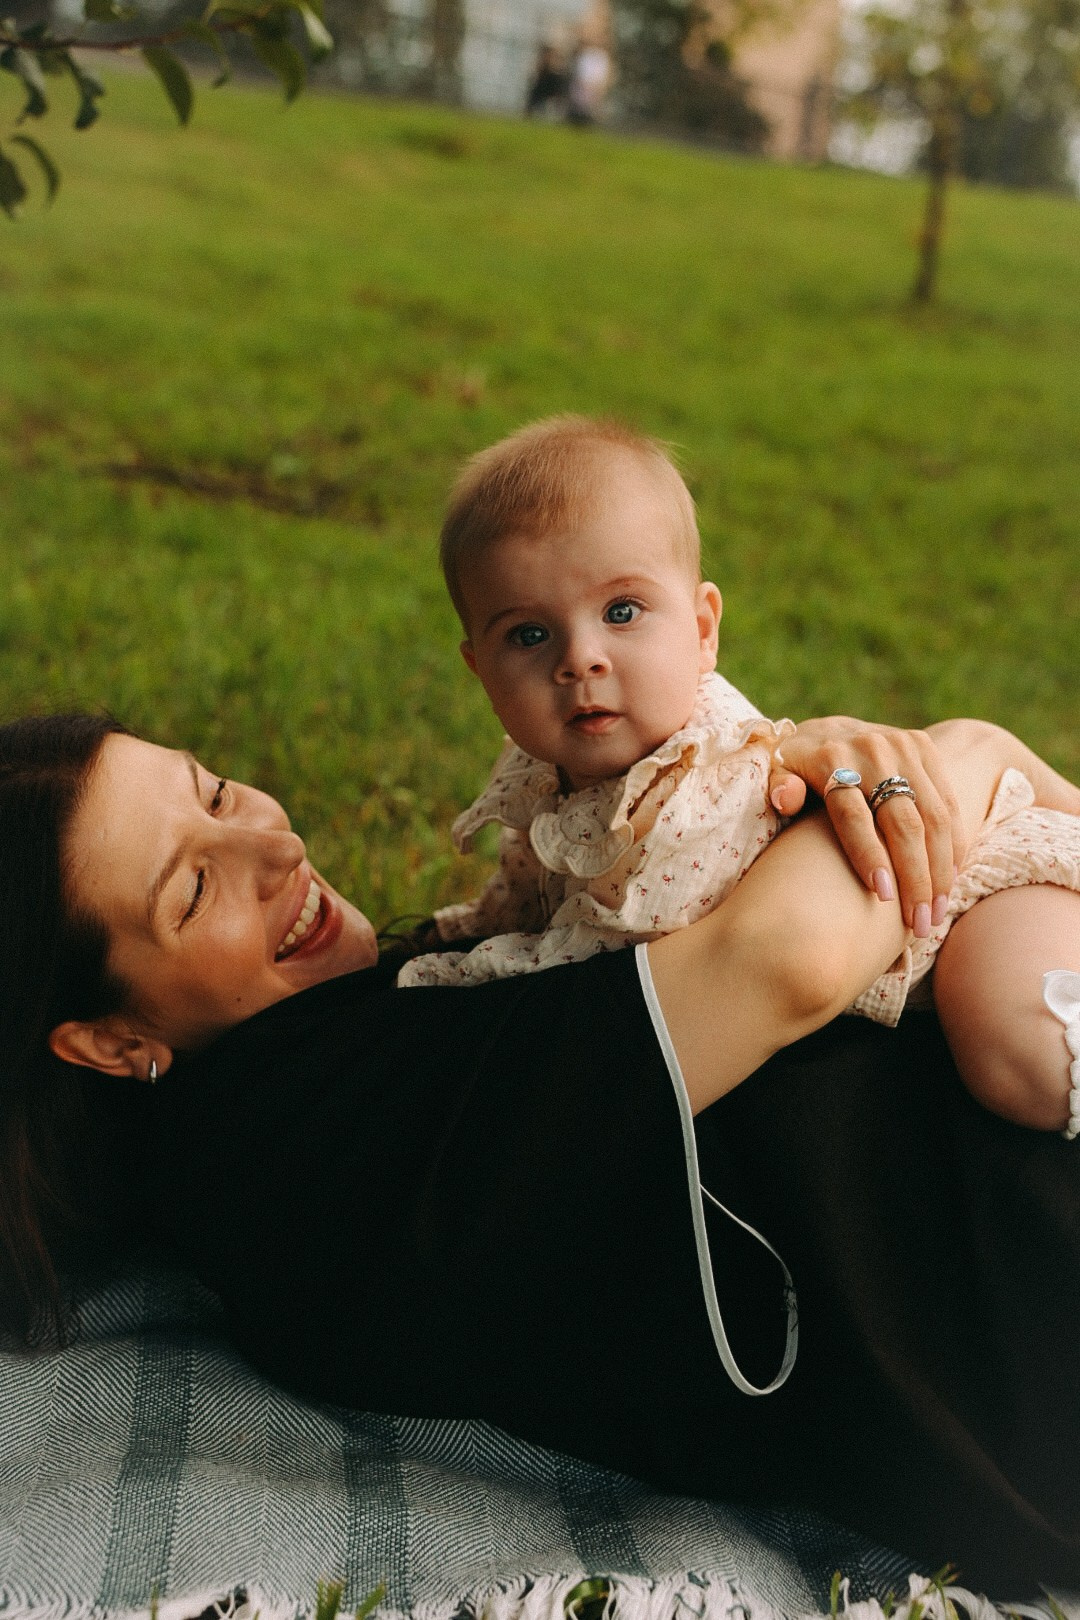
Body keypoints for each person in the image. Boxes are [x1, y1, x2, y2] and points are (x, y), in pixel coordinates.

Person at [0, 707, 1078, 1594]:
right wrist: (960, 755)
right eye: (193, 890)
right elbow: (786, 958)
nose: (274, 849)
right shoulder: (285, 1145)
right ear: (110, 1042)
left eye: (217, 793)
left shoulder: (337, 1037)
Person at [399, 416, 1080, 1137]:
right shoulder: (540, 770)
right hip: (891, 918)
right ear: (480, 668)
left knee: (1019, 1059)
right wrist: (459, 933)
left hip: (980, 887)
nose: (580, 659)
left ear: (703, 631)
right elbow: (530, 889)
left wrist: (474, 977)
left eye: (622, 612)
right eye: (529, 635)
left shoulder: (700, 779)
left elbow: (619, 972)